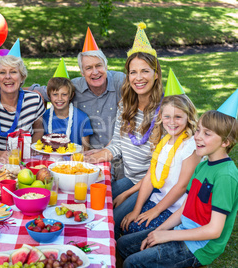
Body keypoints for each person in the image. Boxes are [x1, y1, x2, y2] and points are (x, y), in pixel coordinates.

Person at [117, 109, 238, 267]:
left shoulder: (225, 176)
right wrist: (159, 231)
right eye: (199, 130)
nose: (198, 136)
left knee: (132, 263)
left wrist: (169, 235)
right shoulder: (202, 167)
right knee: (121, 245)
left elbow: (214, 230)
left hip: (199, 247)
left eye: (207, 133)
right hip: (182, 229)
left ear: (225, 142)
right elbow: (184, 209)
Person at [84, 23, 163, 239]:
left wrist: (129, 193)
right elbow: (118, 142)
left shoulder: (164, 113)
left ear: (156, 74)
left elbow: (161, 171)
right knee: (92, 202)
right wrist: (101, 154)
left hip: (152, 185)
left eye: (145, 71)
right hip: (129, 177)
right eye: (133, 72)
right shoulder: (126, 105)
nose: (138, 78)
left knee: (112, 221)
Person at [28, 30, 125, 149]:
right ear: (82, 72)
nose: (95, 72)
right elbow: (44, 91)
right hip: (89, 155)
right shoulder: (74, 87)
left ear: (106, 66)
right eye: (89, 68)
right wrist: (11, 87)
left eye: (99, 66)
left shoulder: (120, 81)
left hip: (119, 152)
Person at [120, 94, 201, 236]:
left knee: (132, 228)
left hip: (175, 209)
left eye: (178, 117)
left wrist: (156, 210)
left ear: (188, 117)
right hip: (158, 200)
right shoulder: (165, 140)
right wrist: (137, 209)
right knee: (123, 221)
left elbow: (182, 186)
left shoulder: (190, 145)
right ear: (161, 117)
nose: (172, 122)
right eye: (167, 116)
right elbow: (150, 176)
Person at [0, 55, 45, 163]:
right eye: (2, 72)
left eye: (13, 72)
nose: (8, 77)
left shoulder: (34, 100)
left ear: (22, 77)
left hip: (27, 160)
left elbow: (39, 130)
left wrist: (30, 150)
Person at [42, 77, 93, 150]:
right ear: (49, 96)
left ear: (71, 95)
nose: (59, 98)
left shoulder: (82, 118)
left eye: (64, 94)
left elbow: (85, 149)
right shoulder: (44, 116)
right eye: (55, 94)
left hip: (73, 159)